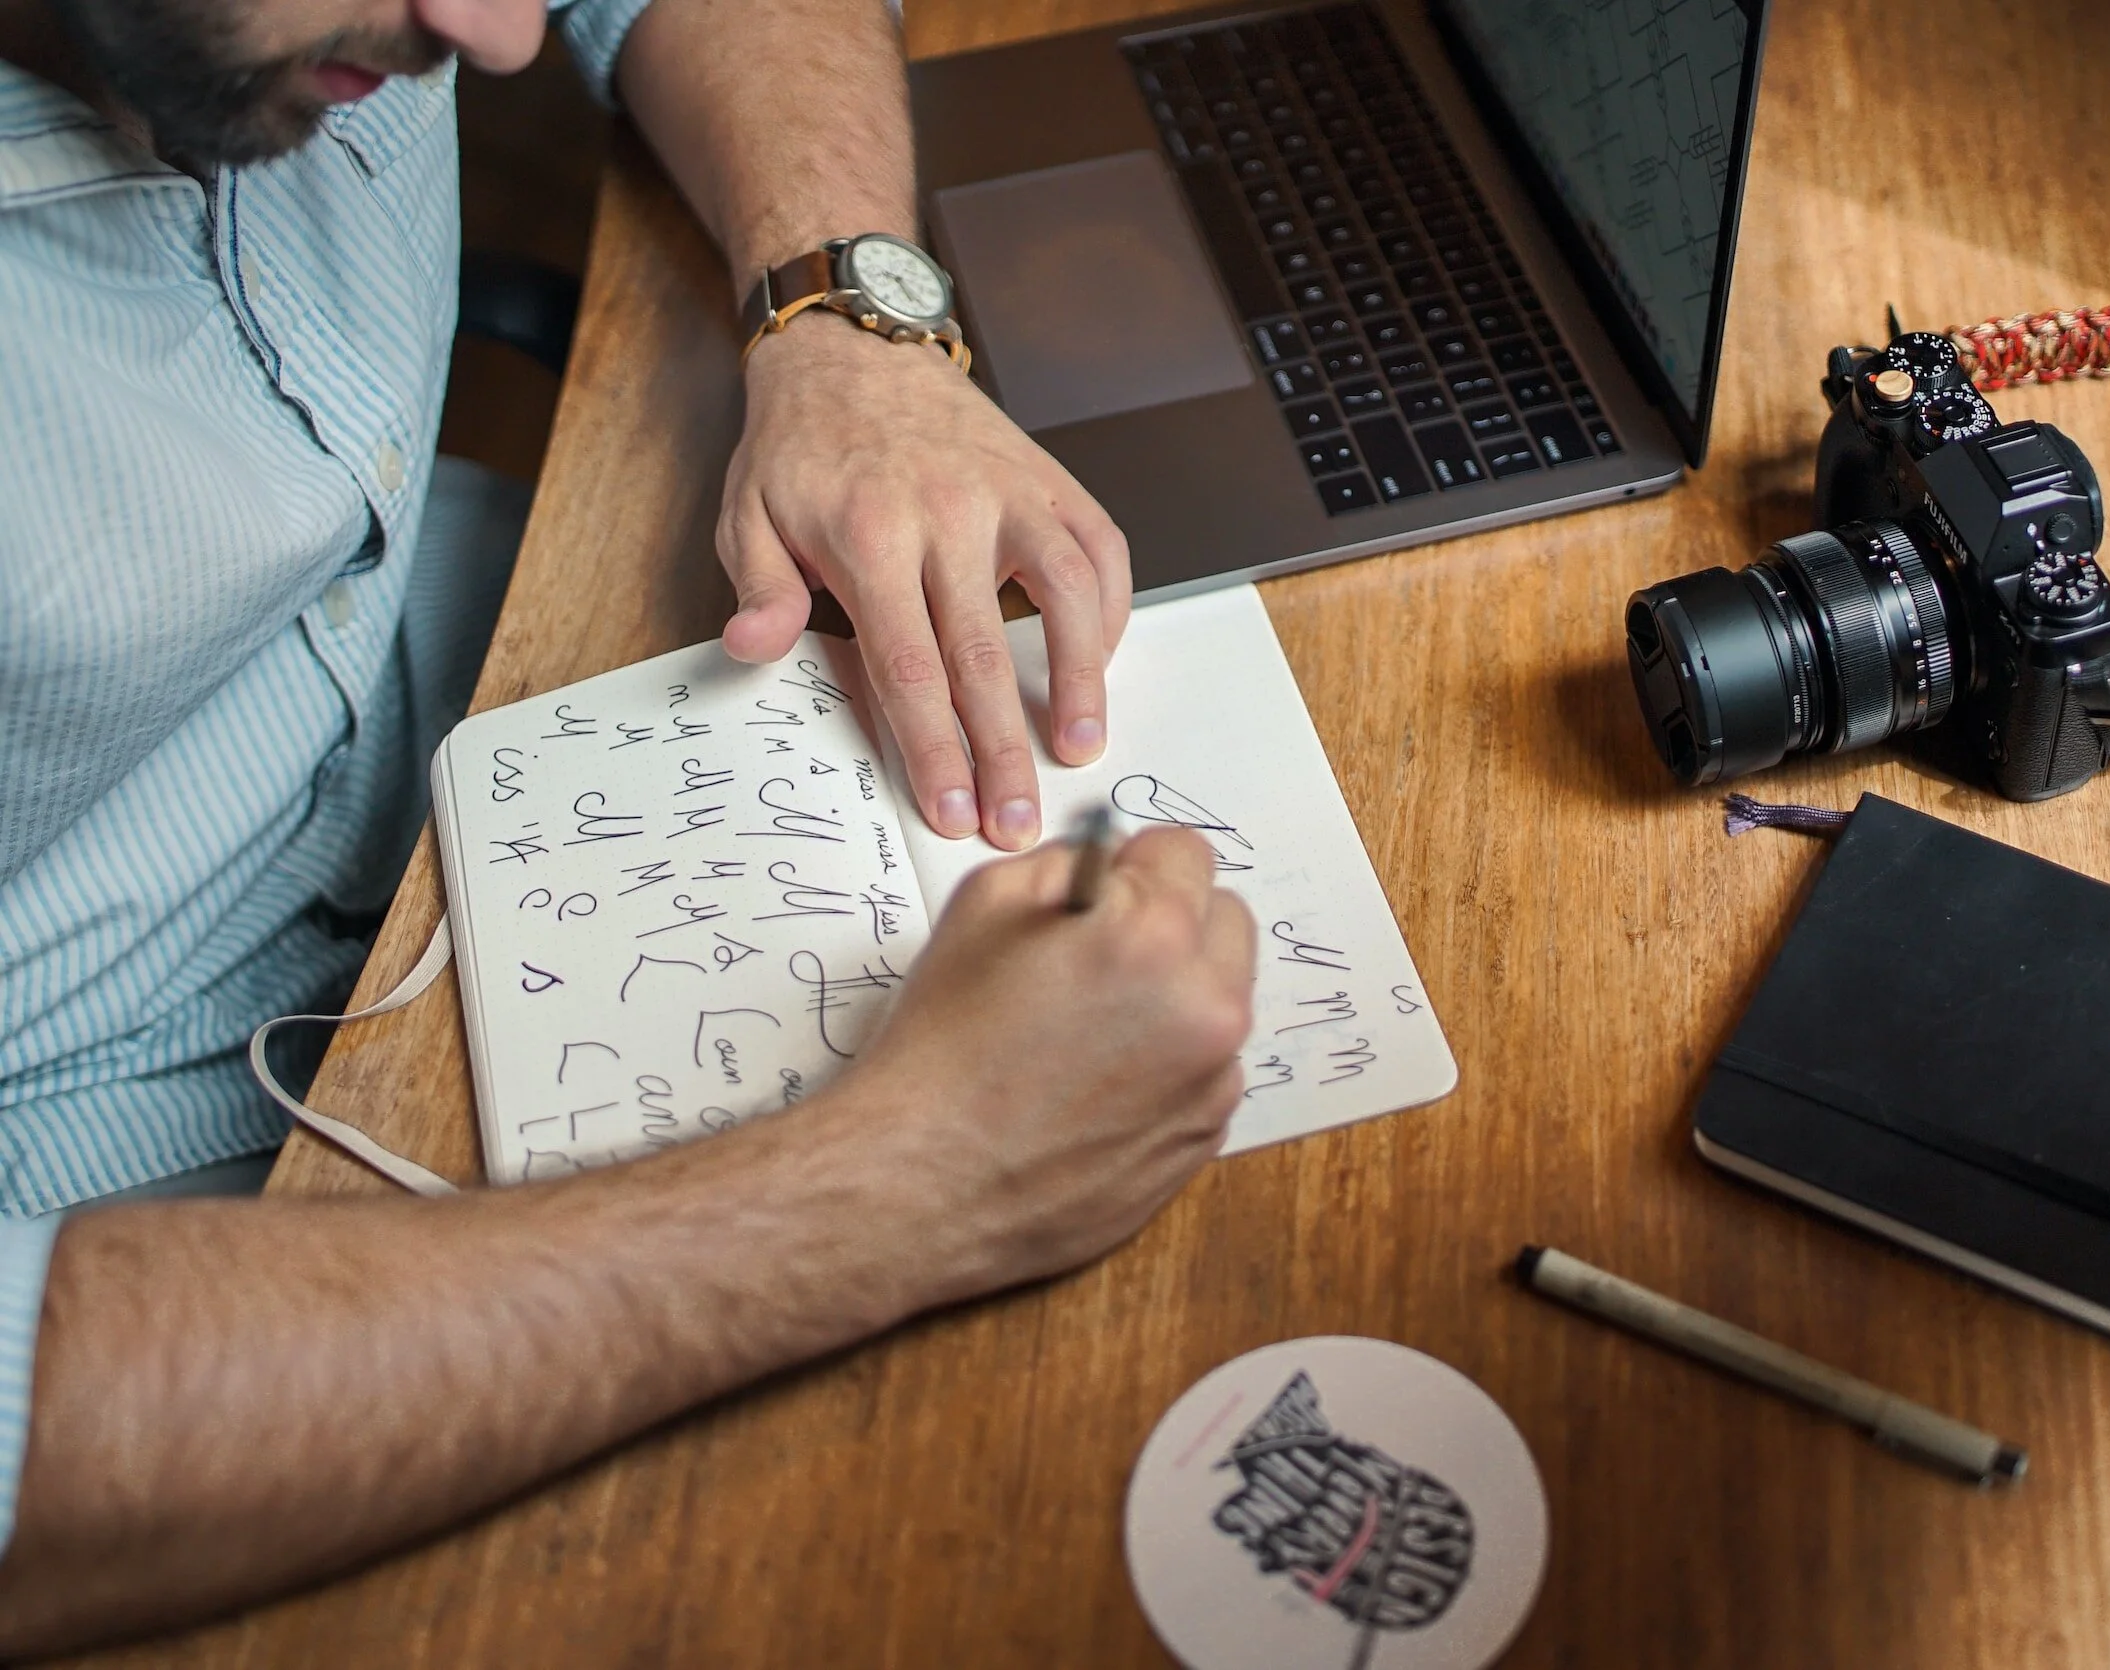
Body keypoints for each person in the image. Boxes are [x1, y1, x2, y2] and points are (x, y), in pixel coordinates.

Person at [0, 0, 1255, 1651]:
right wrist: (923, 1180)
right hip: (147, 1217)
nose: (502, 35)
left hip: (505, 654)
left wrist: (841, 318)